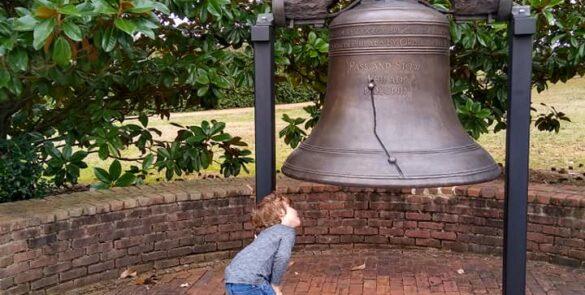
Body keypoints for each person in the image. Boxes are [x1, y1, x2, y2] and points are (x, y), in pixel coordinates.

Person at [224, 193, 301, 295]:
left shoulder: (267, 232)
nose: (295, 210)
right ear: (281, 212)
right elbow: (283, 256)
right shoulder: (287, 231)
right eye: (290, 207)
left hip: (232, 278)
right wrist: (275, 285)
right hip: (251, 280)